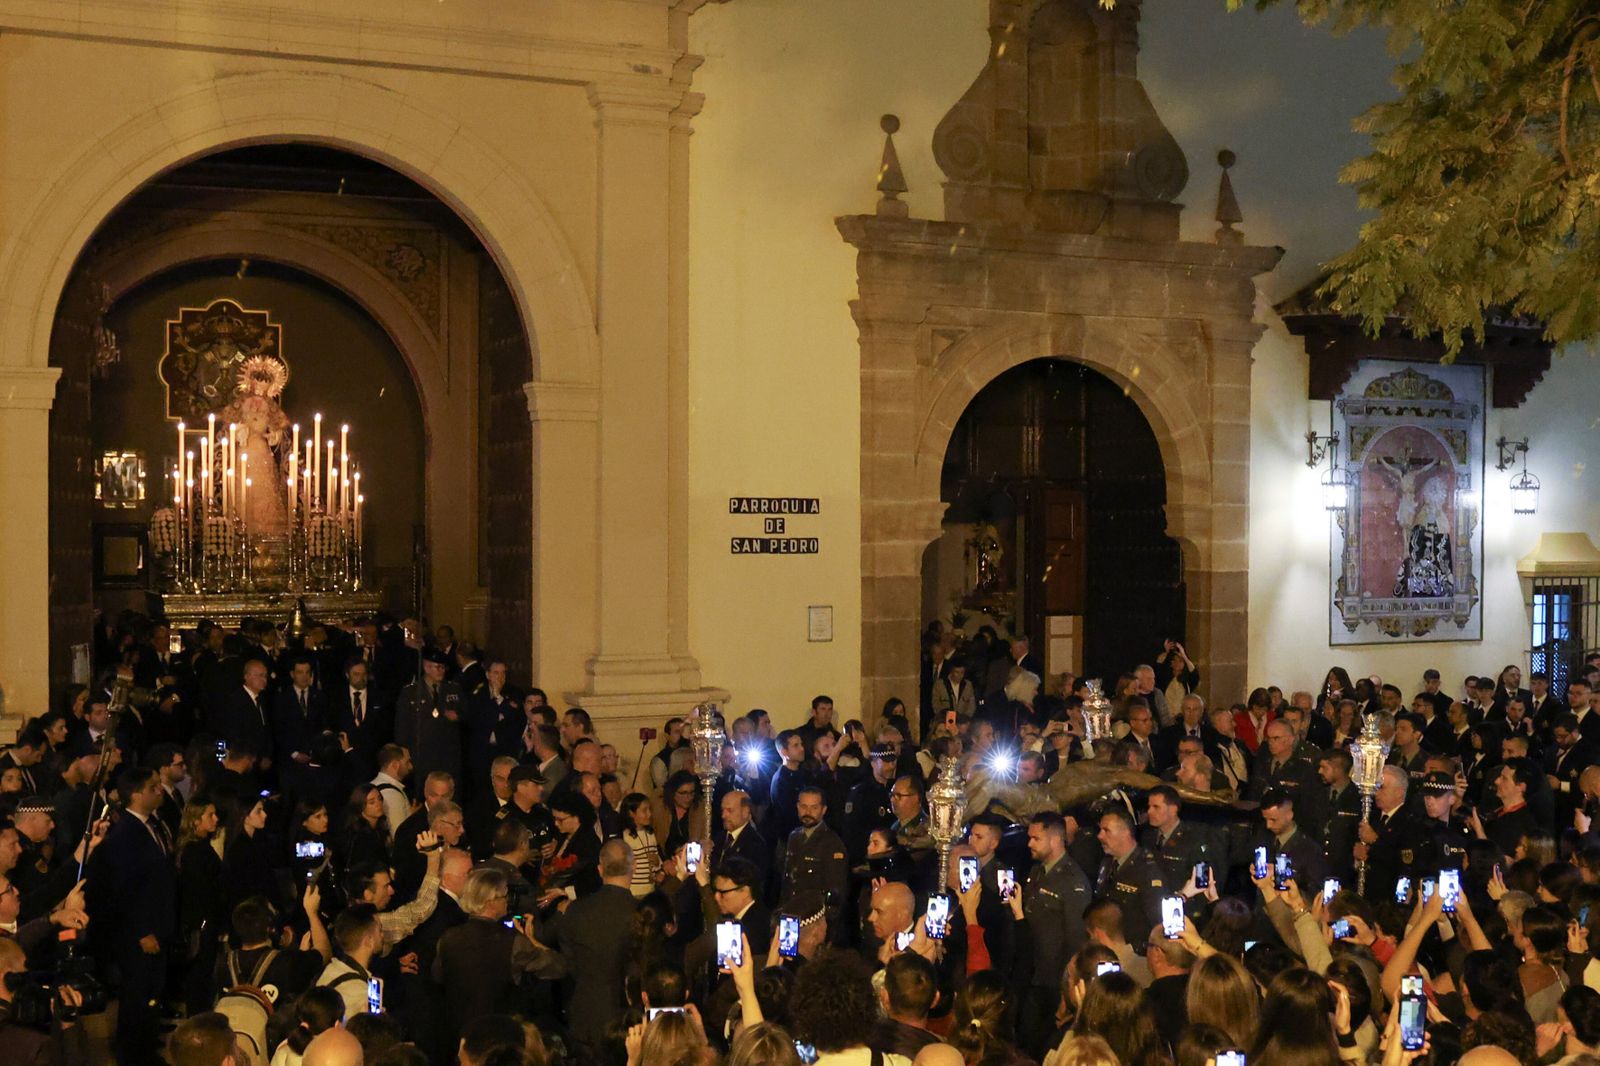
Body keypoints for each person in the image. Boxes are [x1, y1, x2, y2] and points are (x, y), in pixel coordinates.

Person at [93, 765, 177, 1065]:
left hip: (158, 924)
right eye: (153, 786)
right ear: (137, 793)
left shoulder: (152, 825)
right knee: (137, 996)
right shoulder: (124, 834)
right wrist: (141, 931)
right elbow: (122, 889)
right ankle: (133, 1055)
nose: (159, 791)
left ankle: (145, 1047)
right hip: (139, 933)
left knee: (151, 993)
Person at [432, 866, 564, 1044]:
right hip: (501, 1039)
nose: (508, 901)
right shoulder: (514, 942)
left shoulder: (448, 938)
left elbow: (438, 977)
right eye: (504, 896)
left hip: (461, 1036)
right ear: (491, 901)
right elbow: (558, 967)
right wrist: (532, 940)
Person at [553, 838, 638, 1051]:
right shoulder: (641, 914)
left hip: (584, 1013)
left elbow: (568, 960)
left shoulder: (576, 910)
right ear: (634, 867)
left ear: (600, 870)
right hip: (627, 1018)